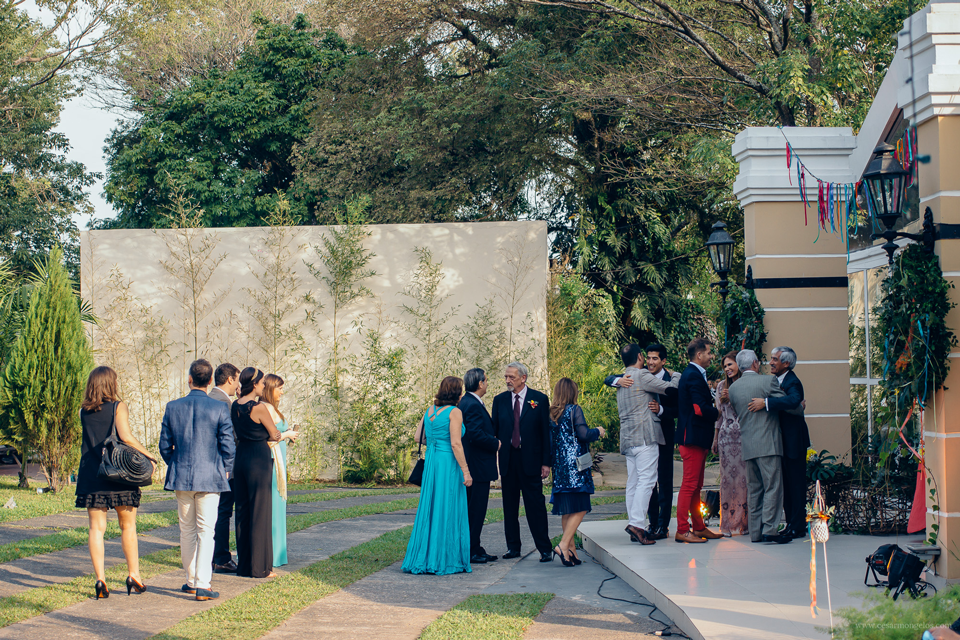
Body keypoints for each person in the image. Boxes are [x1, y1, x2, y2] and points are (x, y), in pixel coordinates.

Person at [76, 366, 157, 599]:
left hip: (92, 474)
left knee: (96, 529)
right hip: (118, 473)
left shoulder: (83, 411)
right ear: (111, 384)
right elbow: (126, 437)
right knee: (128, 526)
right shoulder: (118, 407)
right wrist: (149, 456)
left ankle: (100, 580)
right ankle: (134, 576)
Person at [159, 359, 236, 601]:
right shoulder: (219, 408)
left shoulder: (173, 406)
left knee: (187, 530)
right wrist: (225, 468)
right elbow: (228, 445)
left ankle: (191, 580)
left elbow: (164, 446)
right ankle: (203, 583)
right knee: (206, 530)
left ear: (189, 379)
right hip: (210, 476)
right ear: (211, 380)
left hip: (181, 476)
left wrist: (176, 463)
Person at [605, 344, 678, 540]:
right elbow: (671, 389)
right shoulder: (641, 375)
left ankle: (633, 523)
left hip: (628, 439)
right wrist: (677, 375)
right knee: (647, 480)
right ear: (640, 356)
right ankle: (637, 524)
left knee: (634, 482)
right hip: (645, 437)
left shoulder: (622, 380)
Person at [402, 376, 472, 575]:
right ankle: (444, 559)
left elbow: (418, 437)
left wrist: (435, 443)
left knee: (431, 507)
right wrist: (466, 471)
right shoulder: (455, 412)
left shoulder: (430, 410)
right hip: (447, 462)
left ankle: (424, 556)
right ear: (457, 393)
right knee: (447, 506)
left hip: (432, 461)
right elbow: (456, 443)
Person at [492, 362, 553, 562]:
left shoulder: (540, 399)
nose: (508, 381)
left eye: (512, 377)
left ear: (523, 378)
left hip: (532, 461)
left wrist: (546, 462)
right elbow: (495, 432)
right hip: (509, 460)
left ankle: (544, 548)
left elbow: (545, 433)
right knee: (509, 507)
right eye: (506, 377)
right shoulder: (499, 400)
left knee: (535, 506)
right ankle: (513, 547)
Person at [727, 349, 790, 544]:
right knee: (773, 486)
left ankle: (755, 532)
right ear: (755, 363)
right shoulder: (767, 381)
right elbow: (786, 402)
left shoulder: (733, 388)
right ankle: (770, 529)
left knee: (754, 489)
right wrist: (799, 406)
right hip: (768, 443)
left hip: (748, 444)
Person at [750, 346, 810, 540]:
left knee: (796, 485)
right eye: (770, 359)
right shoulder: (775, 380)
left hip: (794, 442)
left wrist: (765, 403)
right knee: (785, 485)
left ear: (787, 363)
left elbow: (794, 401)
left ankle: (798, 527)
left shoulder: (793, 381)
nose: (771, 362)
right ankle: (791, 524)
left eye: (775, 359)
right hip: (781, 441)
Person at [232, 367, 282, 579]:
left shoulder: (235, 405)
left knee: (243, 512)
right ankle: (260, 567)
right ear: (254, 385)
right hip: (259, 461)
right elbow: (274, 434)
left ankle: (244, 566)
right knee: (260, 512)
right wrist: (277, 433)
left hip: (240, 458)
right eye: (262, 383)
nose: (264, 386)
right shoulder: (259, 408)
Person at [549, 378, 604, 566]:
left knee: (568, 509)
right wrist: (598, 431)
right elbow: (583, 434)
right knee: (581, 507)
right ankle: (563, 545)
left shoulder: (552, 413)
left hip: (560, 468)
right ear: (573, 392)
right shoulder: (574, 410)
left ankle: (571, 550)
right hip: (576, 467)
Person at [674, 338, 722, 543]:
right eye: (709, 353)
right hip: (692, 437)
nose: (712, 357)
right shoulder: (692, 375)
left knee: (696, 486)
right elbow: (699, 409)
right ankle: (682, 529)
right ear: (699, 355)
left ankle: (699, 526)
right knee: (689, 485)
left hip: (698, 437)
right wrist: (717, 412)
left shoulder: (694, 374)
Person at [459, 368, 500, 564]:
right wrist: (496, 443)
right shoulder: (472, 404)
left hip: (475, 466)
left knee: (474, 510)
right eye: (486, 380)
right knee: (476, 510)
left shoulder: (466, 402)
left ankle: (474, 546)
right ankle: (471, 550)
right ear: (480, 383)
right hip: (477, 467)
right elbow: (475, 434)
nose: (487, 383)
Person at [260, 374, 300, 567]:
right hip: (272, 460)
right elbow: (267, 439)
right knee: (274, 505)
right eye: (280, 388)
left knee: (279, 505)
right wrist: (287, 434)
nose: (282, 392)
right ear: (270, 388)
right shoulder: (265, 408)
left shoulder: (273, 408)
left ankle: (277, 552)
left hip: (279, 459)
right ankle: (272, 553)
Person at [712, 352, 749, 537]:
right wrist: (715, 438)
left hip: (744, 436)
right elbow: (718, 415)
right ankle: (726, 523)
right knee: (727, 481)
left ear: (739, 364)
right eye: (725, 366)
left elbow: (748, 410)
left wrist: (734, 396)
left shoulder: (745, 385)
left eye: (730, 364)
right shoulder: (720, 386)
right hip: (726, 437)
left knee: (744, 481)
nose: (727, 368)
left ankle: (743, 523)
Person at [209, 362, 240, 574]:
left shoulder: (207, 398)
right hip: (224, 468)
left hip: (206, 467)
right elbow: (230, 439)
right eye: (237, 380)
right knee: (223, 513)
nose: (238, 384)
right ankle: (220, 557)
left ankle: (209, 556)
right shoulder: (224, 404)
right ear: (230, 379)